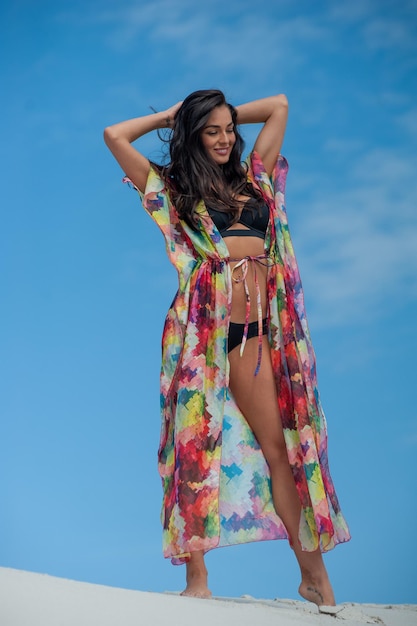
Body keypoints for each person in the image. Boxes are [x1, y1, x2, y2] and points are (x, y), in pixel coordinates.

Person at [104, 89, 350, 607]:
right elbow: (115, 135)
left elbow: (282, 104)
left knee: (280, 451)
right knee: (195, 446)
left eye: (228, 129)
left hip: (257, 336)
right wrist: (175, 115)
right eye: (210, 130)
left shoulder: (254, 176)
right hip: (204, 335)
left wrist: (224, 111)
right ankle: (196, 579)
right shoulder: (171, 187)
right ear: (193, 135)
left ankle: (314, 577)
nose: (223, 139)